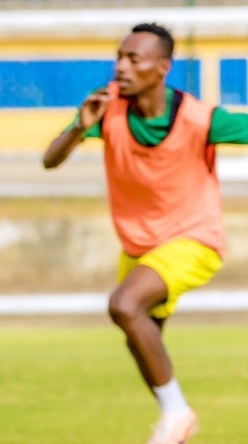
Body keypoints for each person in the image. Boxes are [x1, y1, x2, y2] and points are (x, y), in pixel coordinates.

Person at [42, 22, 247, 444]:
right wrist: (80, 127)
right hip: (139, 247)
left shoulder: (200, 119)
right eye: (119, 57)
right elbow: (50, 160)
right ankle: (175, 424)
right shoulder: (106, 107)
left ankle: (177, 416)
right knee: (141, 337)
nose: (121, 66)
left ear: (162, 68)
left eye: (134, 59)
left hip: (193, 239)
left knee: (124, 305)